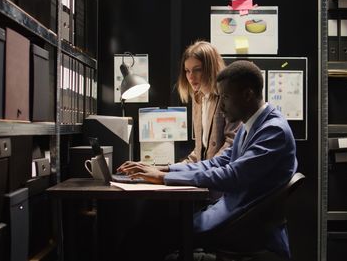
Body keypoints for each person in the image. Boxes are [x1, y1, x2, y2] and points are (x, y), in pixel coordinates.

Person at [118, 60, 298, 259]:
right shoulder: (250, 125)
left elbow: (233, 175)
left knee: (141, 239)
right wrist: (166, 170)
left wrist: (163, 179)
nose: (220, 106)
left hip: (242, 227)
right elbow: (217, 163)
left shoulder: (274, 131)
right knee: (143, 233)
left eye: (226, 97)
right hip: (229, 215)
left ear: (247, 95)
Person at [177, 40, 241, 163]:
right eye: (187, 71)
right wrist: (169, 169)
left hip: (223, 173)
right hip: (208, 171)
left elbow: (232, 144)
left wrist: (203, 169)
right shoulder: (198, 97)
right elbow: (200, 150)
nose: (191, 77)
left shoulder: (229, 96)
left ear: (211, 68)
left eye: (197, 70)